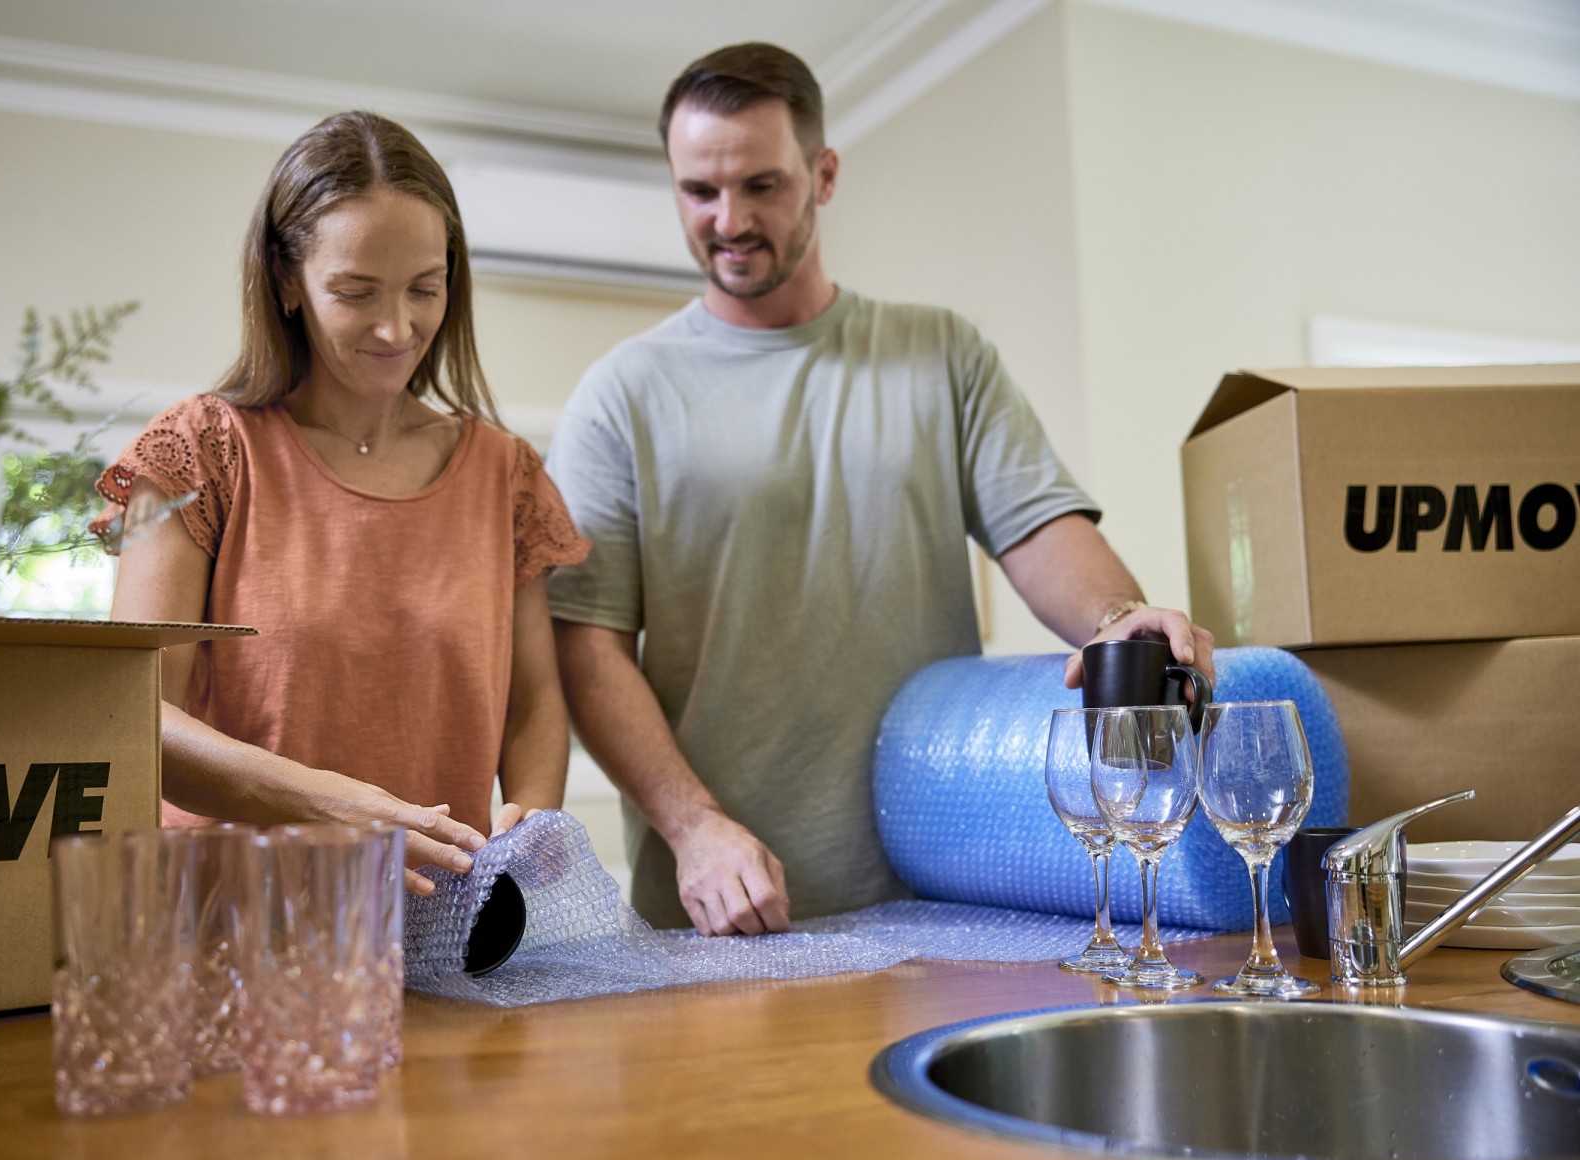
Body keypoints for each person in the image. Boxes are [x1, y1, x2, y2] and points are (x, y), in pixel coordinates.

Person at [545, 44, 1215, 936]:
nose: (728, 219)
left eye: (761, 185)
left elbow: (1039, 527)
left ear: (823, 175)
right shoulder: (621, 394)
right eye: (698, 191)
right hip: (727, 911)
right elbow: (587, 650)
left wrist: (1117, 621)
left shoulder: (940, 354)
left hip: (945, 894)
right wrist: (693, 826)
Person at [95, 111, 590, 894]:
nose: (398, 327)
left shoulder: (507, 475)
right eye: (356, 292)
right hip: (231, 930)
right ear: (287, 281)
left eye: (425, 289)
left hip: (437, 935)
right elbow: (130, 715)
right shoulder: (201, 451)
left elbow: (534, 705)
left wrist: (526, 833)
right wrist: (326, 805)